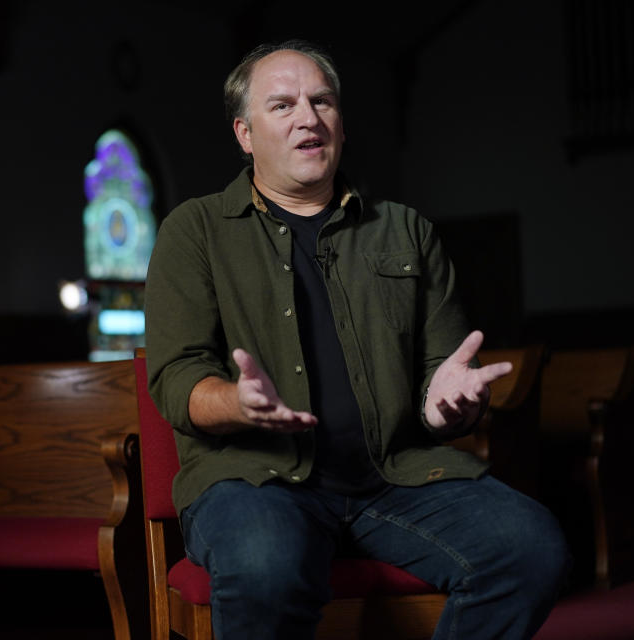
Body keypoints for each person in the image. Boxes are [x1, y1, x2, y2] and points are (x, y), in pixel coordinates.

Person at [144, 39, 569, 640]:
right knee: (266, 564)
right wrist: (237, 402)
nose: (308, 118)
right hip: (256, 480)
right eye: (283, 105)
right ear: (245, 133)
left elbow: (437, 377)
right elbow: (176, 377)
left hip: (396, 477)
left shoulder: (405, 229)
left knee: (532, 546)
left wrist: (448, 407)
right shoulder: (195, 230)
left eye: (322, 101)